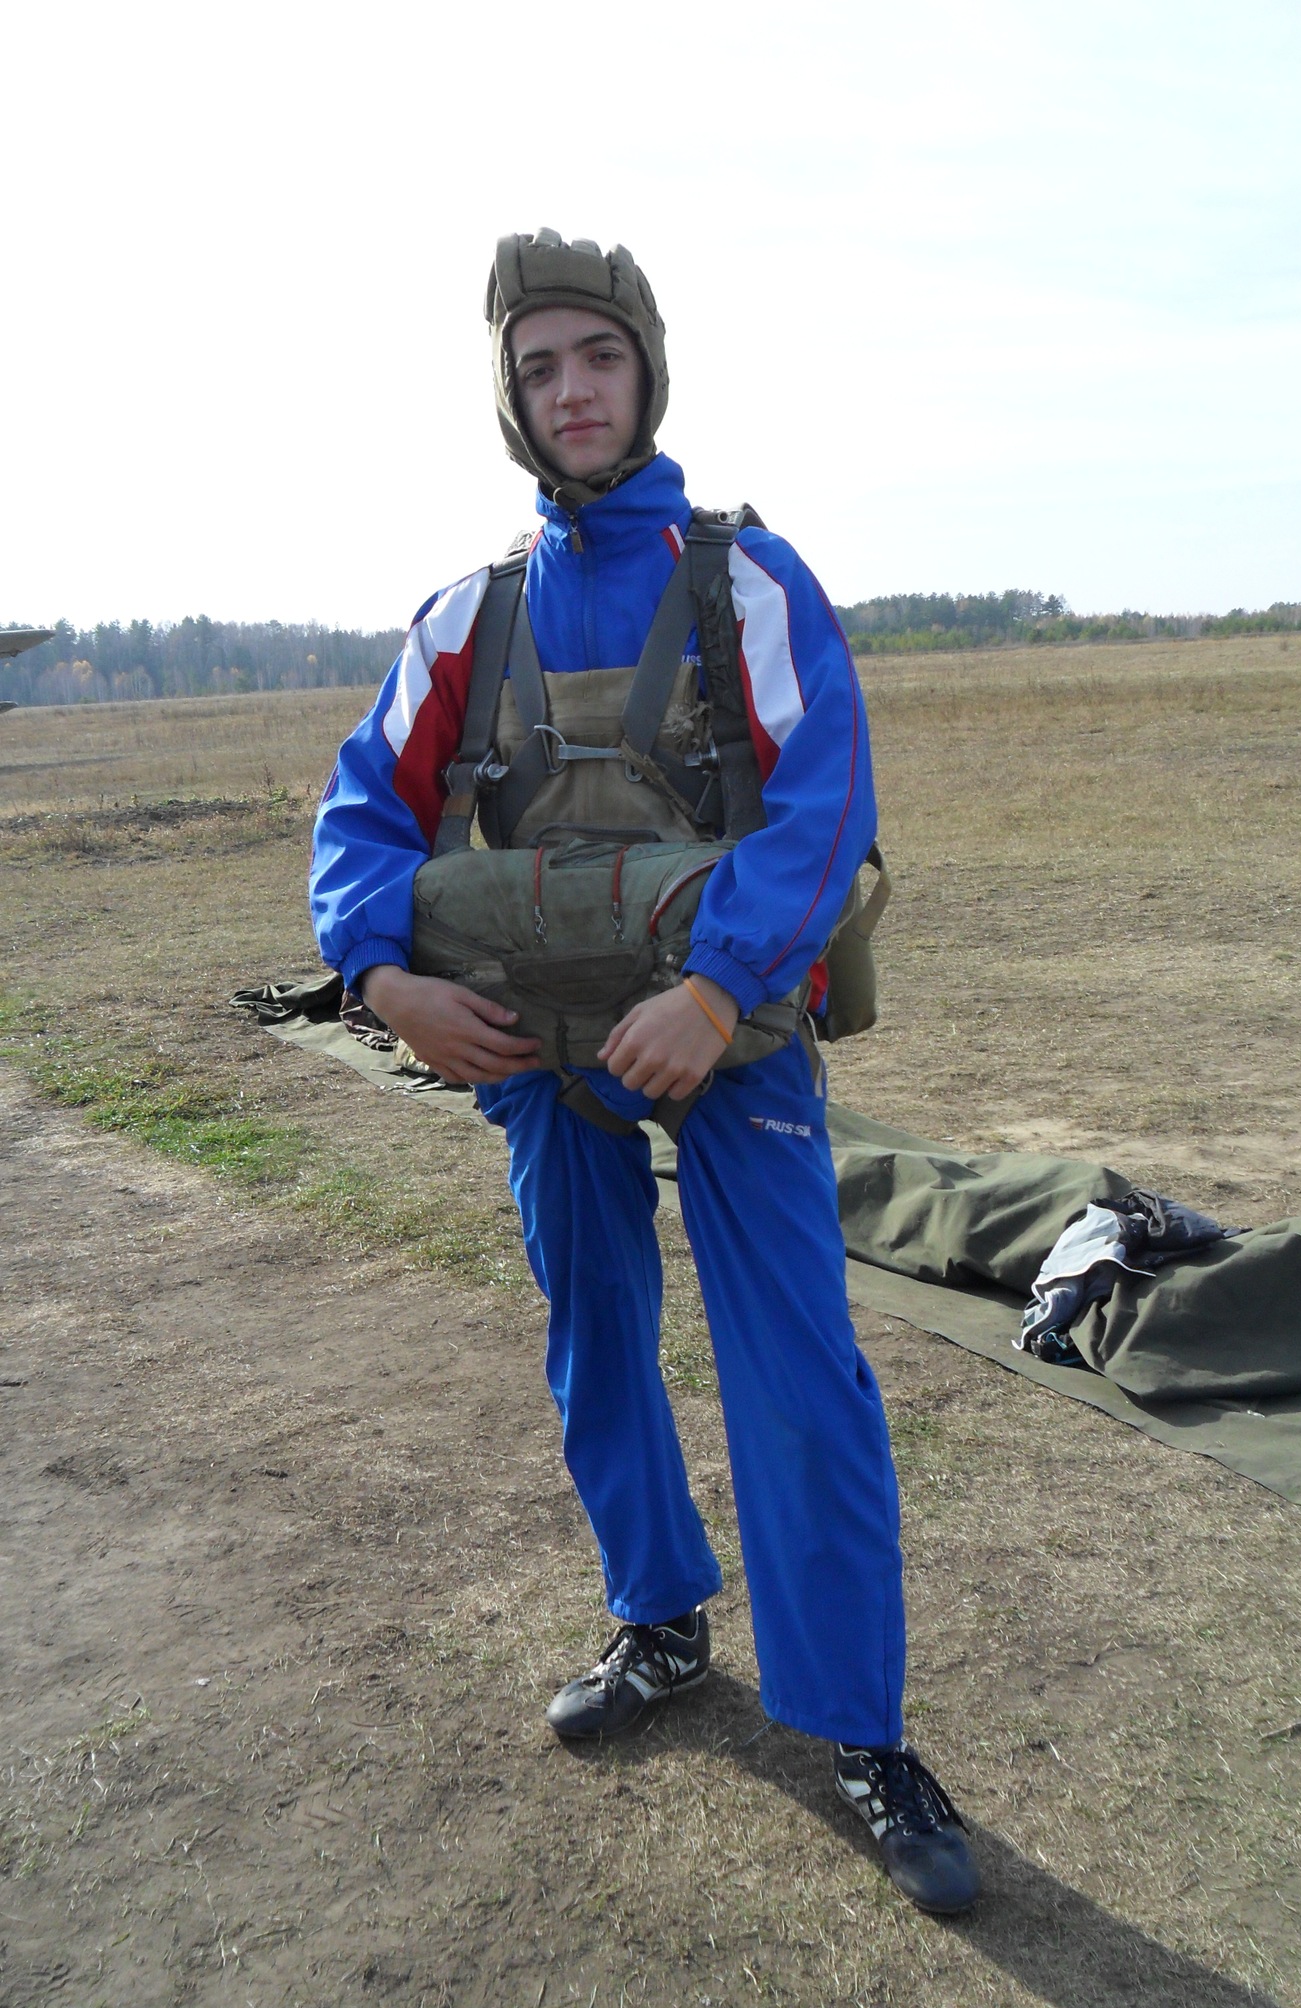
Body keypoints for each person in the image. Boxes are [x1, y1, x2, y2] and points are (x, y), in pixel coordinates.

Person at [310, 228, 981, 1914]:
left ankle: (858, 1726)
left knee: (798, 1367)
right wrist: (386, 978)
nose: (571, 391)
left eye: (595, 357)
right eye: (537, 368)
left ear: (647, 370)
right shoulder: (465, 618)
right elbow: (363, 811)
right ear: (510, 401)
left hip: (727, 1044)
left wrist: (715, 986)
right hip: (537, 1050)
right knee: (595, 1332)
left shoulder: (749, 583)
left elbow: (824, 799)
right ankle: (659, 1620)